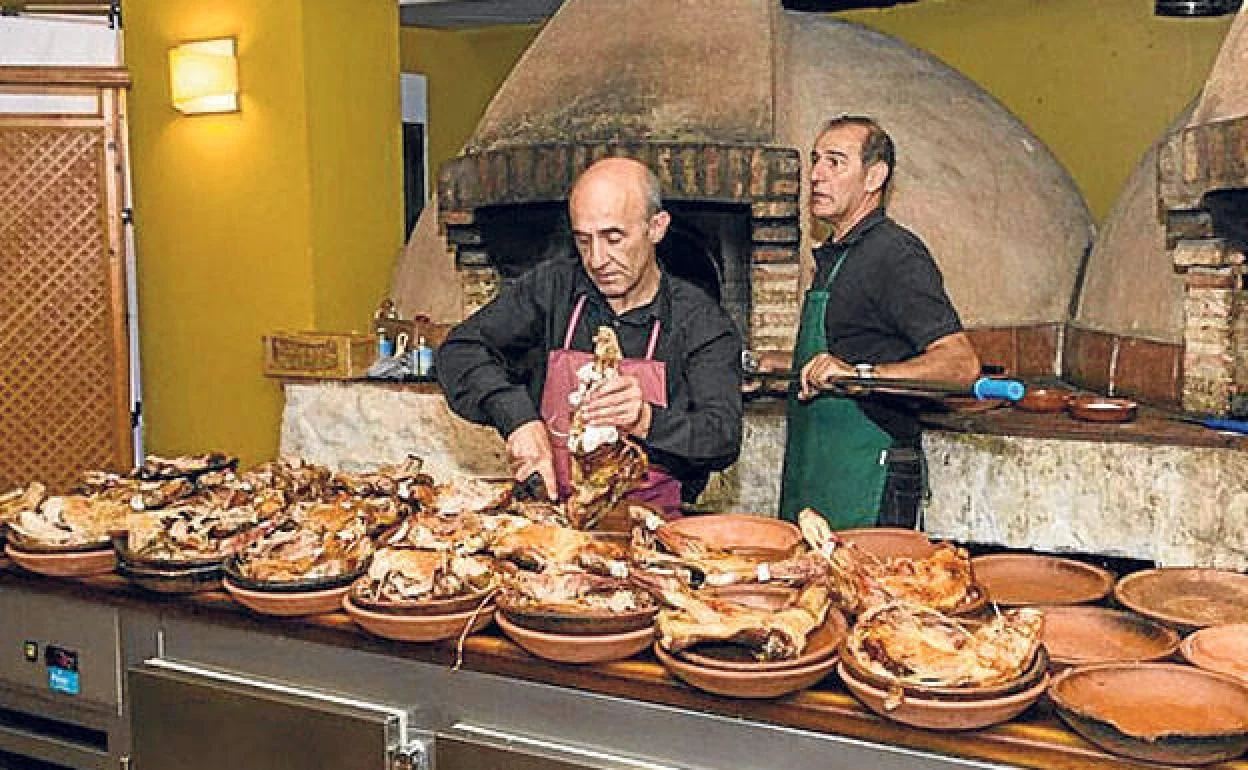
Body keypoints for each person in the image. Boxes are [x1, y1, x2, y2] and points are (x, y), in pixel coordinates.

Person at [437, 156, 743, 519]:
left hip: (651, 528)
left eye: (614, 238)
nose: (597, 260)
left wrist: (646, 419)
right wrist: (517, 418)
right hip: (551, 519)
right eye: (584, 241)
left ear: (656, 227)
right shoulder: (553, 289)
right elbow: (460, 352)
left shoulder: (700, 320)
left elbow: (721, 435)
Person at [779, 116, 980, 530]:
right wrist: (777, 365)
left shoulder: (896, 254)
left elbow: (960, 365)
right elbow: (857, 344)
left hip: (870, 479)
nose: (815, 175)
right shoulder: (837, 255)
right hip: (815, 474)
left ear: (875, 176)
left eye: (835, 163)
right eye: (816, 161)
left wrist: (861, 375)